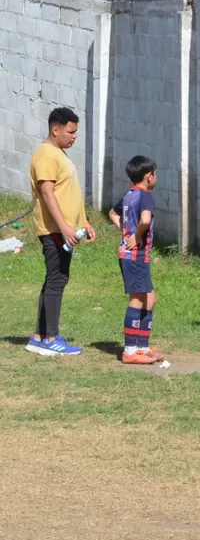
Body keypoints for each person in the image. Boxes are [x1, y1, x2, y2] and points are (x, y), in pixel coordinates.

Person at [27, 107, 95, 356]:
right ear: (55, 129)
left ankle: (39, 336)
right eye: (71, 131)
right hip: (55, 230)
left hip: (65, 229)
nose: (74, 136)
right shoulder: (46, 155)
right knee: (57, 280)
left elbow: (68, 193)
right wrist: (65, 227)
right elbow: (47, 193)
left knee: (54, 279)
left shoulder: (59, 153)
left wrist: (83, 222)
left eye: (76, 131)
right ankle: (51, 338)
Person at [109, 156, 164, 365]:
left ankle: (142, 346)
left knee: (151, 299)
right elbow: (146, 219)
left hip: (133, 256)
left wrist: (126, 232)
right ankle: (130, 350)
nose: (155, 177)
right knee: (137, 299)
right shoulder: (144, 196)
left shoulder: (129, 194)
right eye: (155, 173)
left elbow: (113, 213)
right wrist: (136, 235)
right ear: (149, 177)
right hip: (136, 256)